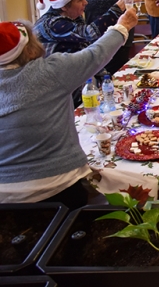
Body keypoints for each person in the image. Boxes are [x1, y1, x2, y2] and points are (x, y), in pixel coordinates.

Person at [0, 11, 137, 209]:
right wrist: (121, 27)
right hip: (59, 186)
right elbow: (96, 54)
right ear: (29, 48)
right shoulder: (50, 71)